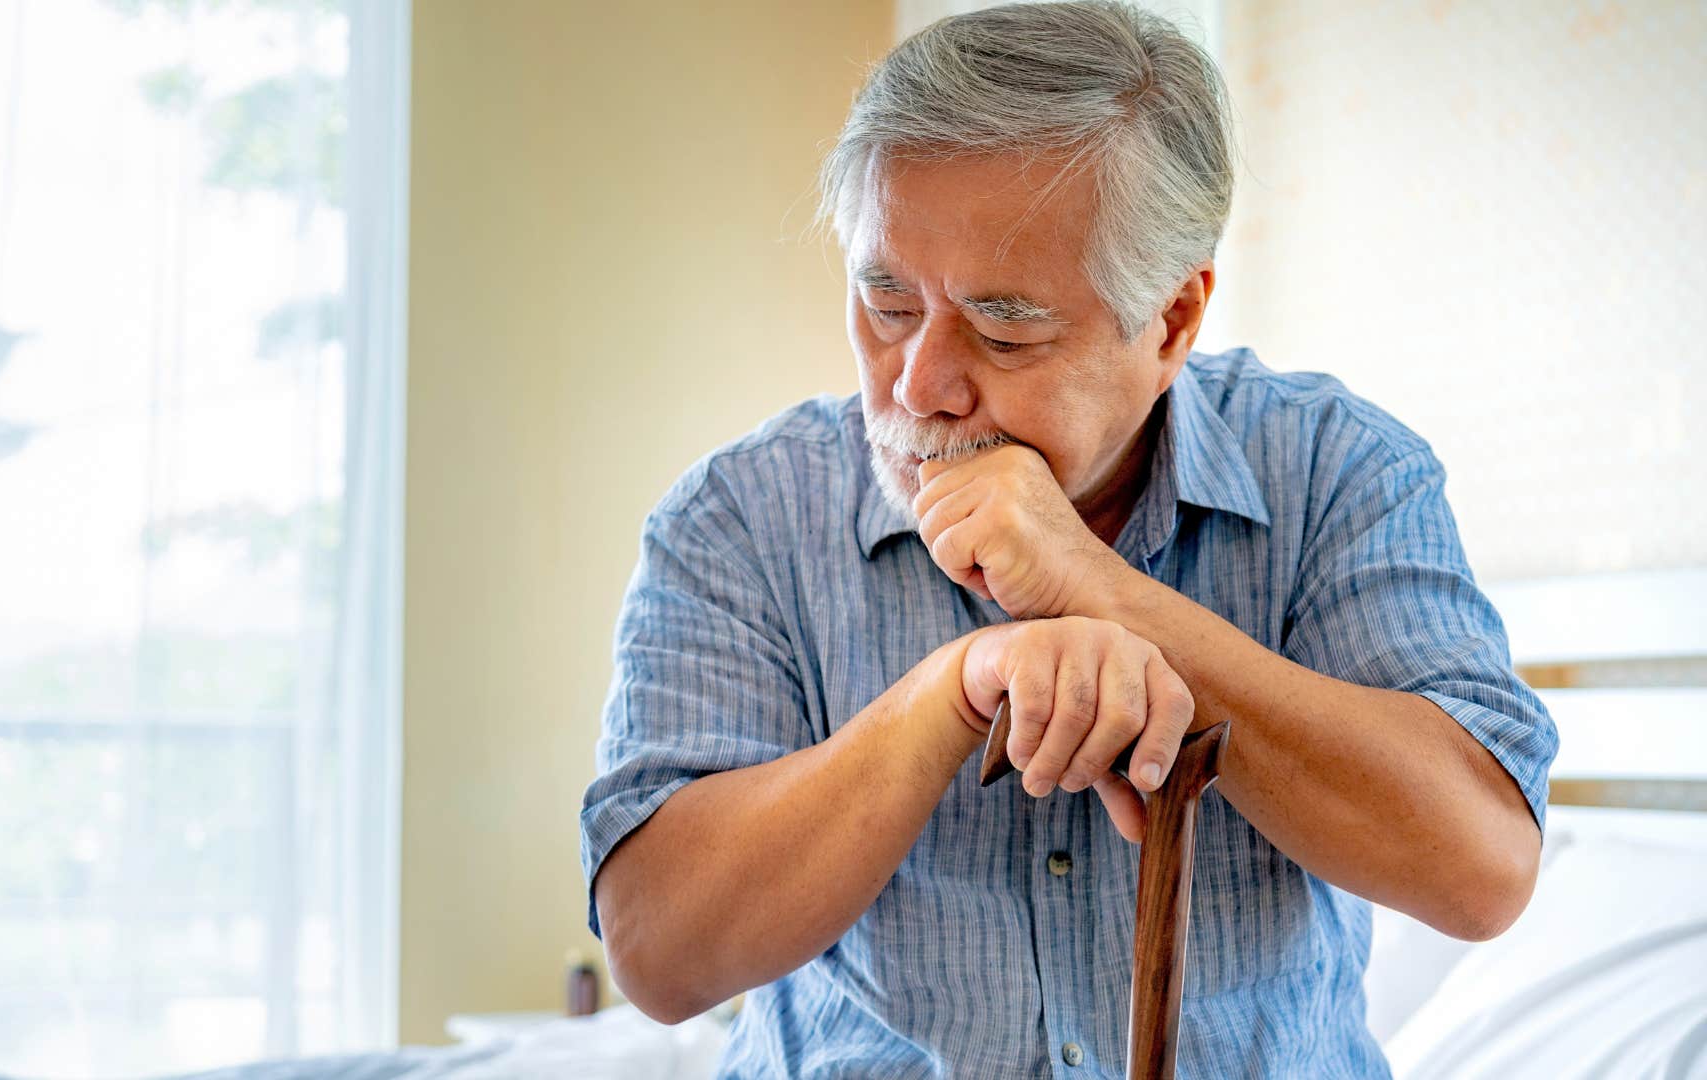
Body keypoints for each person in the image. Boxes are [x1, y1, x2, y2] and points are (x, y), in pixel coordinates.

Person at [577, 2, 1558, 1075]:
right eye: (887, 304)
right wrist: (961, 687)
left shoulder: (1335, 471)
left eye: (1004, 328)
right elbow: (657, 959)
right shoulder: (741, 516)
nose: (919, 386)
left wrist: (1102, 590)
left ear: (1173, 324)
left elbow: (1481, 872)